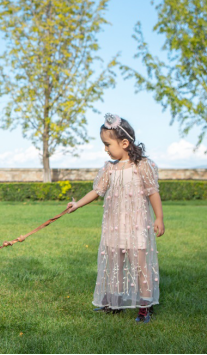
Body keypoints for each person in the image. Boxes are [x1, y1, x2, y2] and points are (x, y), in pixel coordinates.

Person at [67, 113, 165, 323]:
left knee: (140, 265)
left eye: (107, 144)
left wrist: (159, 218)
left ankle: (145, 305)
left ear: (124, 142)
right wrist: (77, 204)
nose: (105, 149)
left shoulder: (142, 166)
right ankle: (115, 302)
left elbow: (153, 192)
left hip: (136, 226)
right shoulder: (109, 168)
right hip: (114, 227)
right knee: (115, 266)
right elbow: (97, 191)